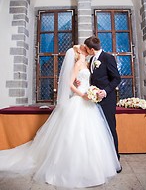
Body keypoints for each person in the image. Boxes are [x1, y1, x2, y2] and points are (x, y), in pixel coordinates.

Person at [0, 45, 121, 188]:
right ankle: (73, 166)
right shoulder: (77, 64)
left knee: (92, 134)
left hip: (90, 102)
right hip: (79, 99)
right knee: (74, 134)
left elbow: (89, 80)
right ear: (78, 52)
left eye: (85, 48)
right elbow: (70, 84)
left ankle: (93, 166)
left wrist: (91, 91)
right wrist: (82, 94)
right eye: (82, 49)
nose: (85, 50)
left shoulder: (89, 64)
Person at [84, 36, 121, 164]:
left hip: (107, 100)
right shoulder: (92, 59)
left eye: (87, 49)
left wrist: (105, 92)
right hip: (94, 101)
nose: (86, 50)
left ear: (91, 49)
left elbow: (116, 78)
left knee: (110, 128)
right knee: (99, 130)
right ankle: (103, 160)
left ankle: (116, 160)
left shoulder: (108, 58)